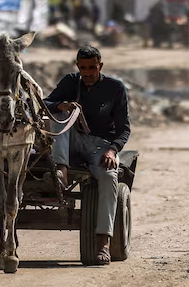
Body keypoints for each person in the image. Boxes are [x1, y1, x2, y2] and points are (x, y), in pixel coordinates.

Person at [45, 46, 130, 265]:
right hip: (71, 143)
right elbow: (44, 104)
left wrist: (112, 150)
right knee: (59, 115)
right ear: (78, 67)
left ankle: (103, 244)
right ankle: (61, 172)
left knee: (109, 176)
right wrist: (60, 105)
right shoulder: (70, 82)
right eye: (83, 68)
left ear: (100, 66)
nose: (87, 73)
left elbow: (124, 129)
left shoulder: (115, 88)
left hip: (100, 146)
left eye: (92, 68)